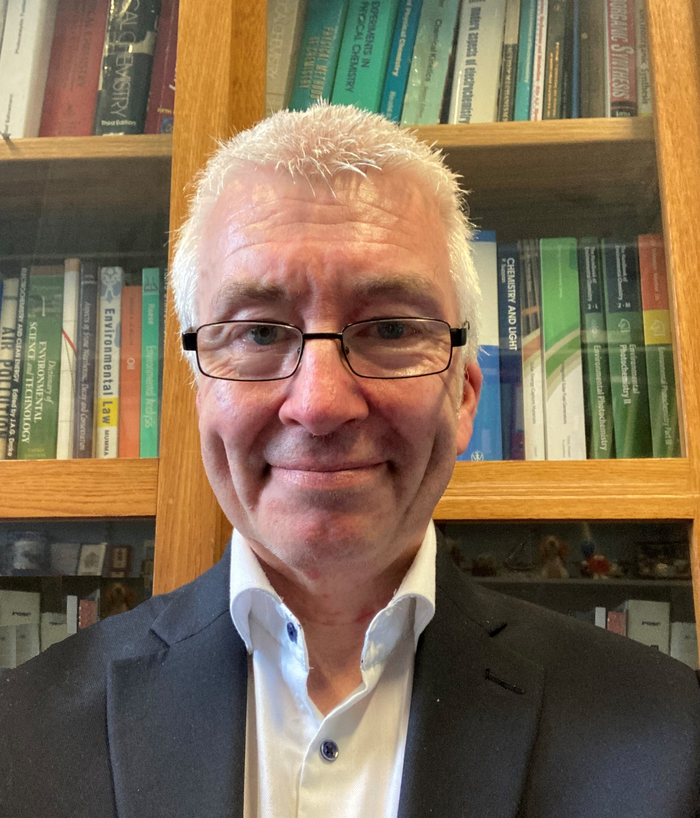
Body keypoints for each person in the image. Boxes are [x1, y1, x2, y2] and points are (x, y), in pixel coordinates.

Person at [1, 103, 699, 818]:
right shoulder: (21, 738)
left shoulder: (670, 736)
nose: (320, 404)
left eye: (391, 328)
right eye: (260, 333)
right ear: (199, 396)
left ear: (463, 397)